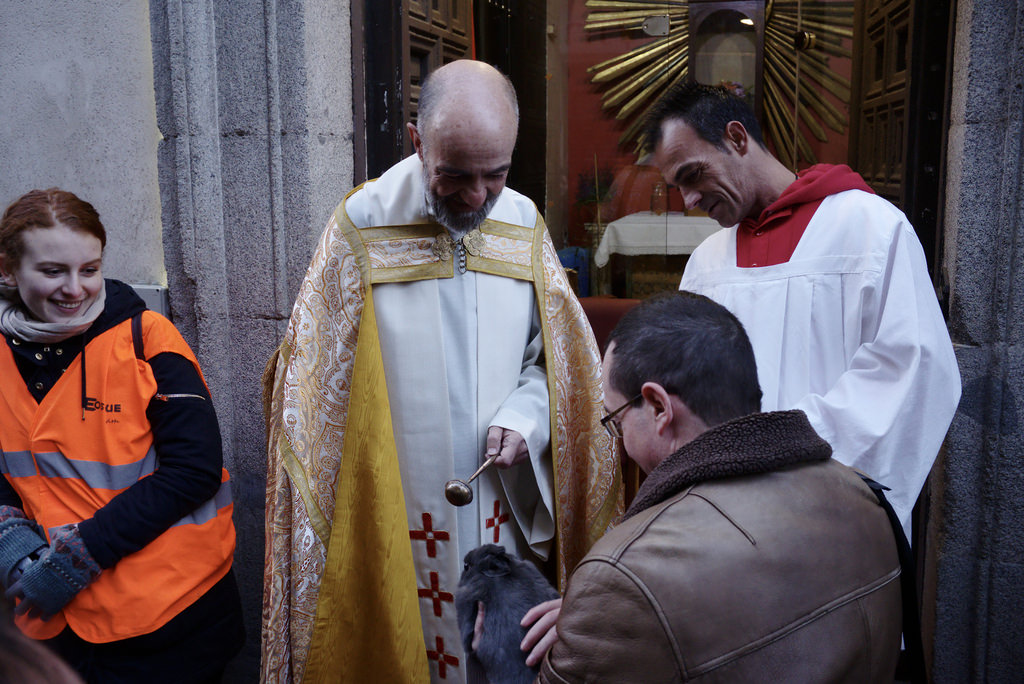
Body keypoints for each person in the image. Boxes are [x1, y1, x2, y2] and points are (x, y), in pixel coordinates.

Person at [262, 60, 620, 683]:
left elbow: (560, 370)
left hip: (502, 509)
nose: (478, 198)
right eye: (455, 175)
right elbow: (310, 390)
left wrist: (526, 418)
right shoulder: (362, 228)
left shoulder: (523, 226)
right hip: (393, 507)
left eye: (497, 176)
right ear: (415, 140)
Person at [644, 82, 961, 539]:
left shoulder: (870, 228)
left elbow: (913, 369)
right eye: (677, 187)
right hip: (723, 521)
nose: (689, 201)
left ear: (737, 138)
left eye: (693, 175)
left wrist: (780, 456)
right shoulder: (705, 262)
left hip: (831, 521)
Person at [537, 291, 904, 682]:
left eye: (616, 419)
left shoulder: (622, 575)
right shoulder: (865, 498)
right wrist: (616, 618)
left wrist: (606, 610)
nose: (620, 443)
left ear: (659, 408)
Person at [0, 188, 244, 683]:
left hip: (169, 620)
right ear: (7, 270)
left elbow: (193, 471)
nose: (76, 289)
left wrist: (77, 557)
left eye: (89, 270)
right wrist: (12, 544)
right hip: (54, 626)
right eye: (53, 271)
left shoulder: (148, 337)